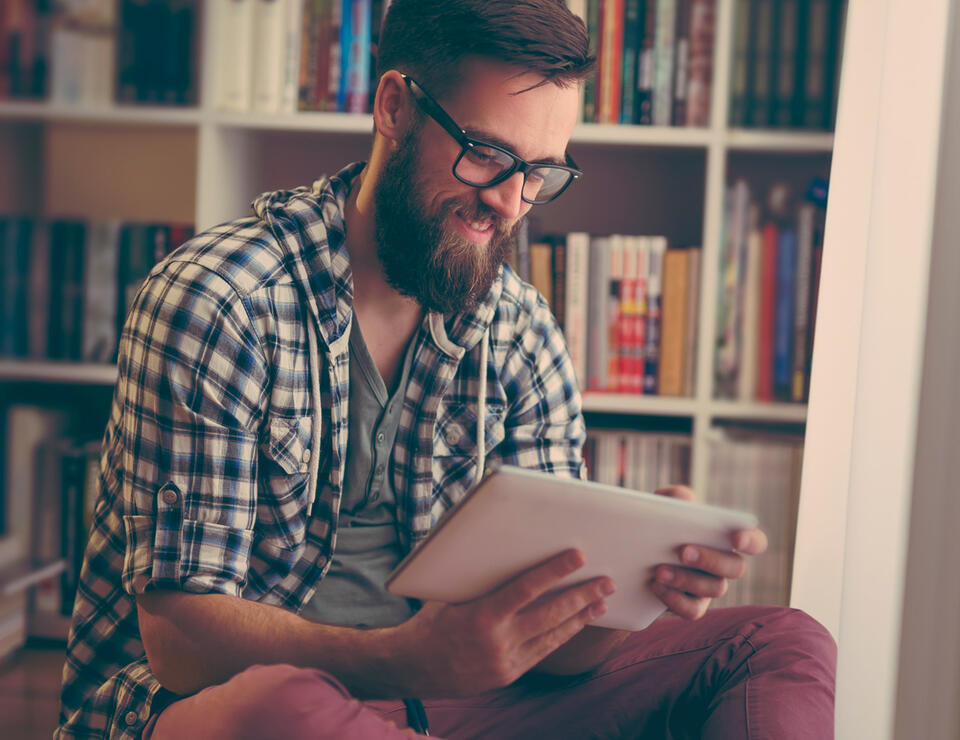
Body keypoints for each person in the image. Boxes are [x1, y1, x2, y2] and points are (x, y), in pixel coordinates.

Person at [56, 1, 836, 738]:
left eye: (540, 172)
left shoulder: (522, 330)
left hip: (449, 701)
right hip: (225, 706)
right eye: (488, 155)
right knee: (281, 707)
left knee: (781, 639)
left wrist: (626, 592)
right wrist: (413, 660)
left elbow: (553, 651)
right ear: (394, 106)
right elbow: (180, 641)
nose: (510, 201)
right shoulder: (219, 299)